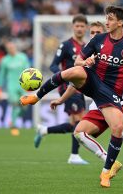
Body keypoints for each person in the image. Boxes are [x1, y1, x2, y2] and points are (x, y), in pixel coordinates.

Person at [20, 5, 123, 188]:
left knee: (115, 128)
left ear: (120, 22)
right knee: (72, 71)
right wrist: (85, 61)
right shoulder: (98, 40)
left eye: (110, 19)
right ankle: (36, 96)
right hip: (93, 80)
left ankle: (106, 172)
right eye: (106, 18)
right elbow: (78, 60)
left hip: (111, 93)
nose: (107, 21)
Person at [34, 14, 89, 165]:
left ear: (86, 28)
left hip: (82, 88)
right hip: (67, 88)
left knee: (74, 125)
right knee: (79, 122)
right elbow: (53, 65)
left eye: (82, 26)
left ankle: (44, 130)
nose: (79, 28)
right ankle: (74, 155)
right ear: (73, 27)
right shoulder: (65, 45)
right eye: (76, 26)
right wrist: (64, 77)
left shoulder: (86, 48)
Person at [0, 41, 30, 136]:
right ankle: (14, 125)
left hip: (22, 85)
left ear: (15, 47)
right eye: (8, 48)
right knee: (15, 103)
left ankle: (14, 118)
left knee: (24, 106)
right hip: (11, 86)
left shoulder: (22, 57)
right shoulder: (5, 60)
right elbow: (1, 75)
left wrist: (29, 85)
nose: (10, 49)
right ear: (7, 49)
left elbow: (28, 71)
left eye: (12, 47)